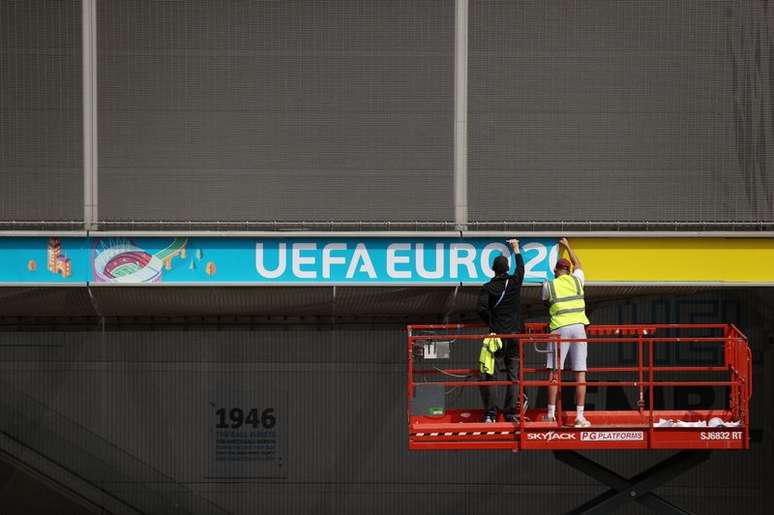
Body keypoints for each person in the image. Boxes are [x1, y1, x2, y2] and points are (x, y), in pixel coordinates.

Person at [543, 237, 591, 427]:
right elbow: (578, 263)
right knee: (580, 373)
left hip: (559, 329)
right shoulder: (578, 280)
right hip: (579, 327)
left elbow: (545, 299)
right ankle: (580, 416)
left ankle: (550, 414)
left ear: (556, 271)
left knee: (555, 372)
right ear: (569, 270)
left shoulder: (549, 285)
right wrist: (568, 246)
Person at [476, 238, 525, 423]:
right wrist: (516, 249)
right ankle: (511, 412)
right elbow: (521, 269)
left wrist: (491, 321)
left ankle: (491, 414)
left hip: (496, 336)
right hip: (515, 335)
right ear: (507, 269)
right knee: (513, 376)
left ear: (493, 269)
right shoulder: (513, 283)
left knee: (491, 374)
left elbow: (480, 308)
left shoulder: (488, 288)